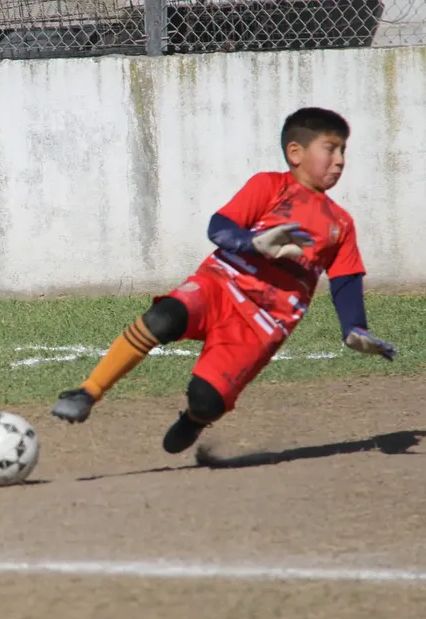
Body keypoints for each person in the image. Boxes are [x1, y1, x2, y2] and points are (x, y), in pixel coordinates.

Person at [51, 107, 396, 453]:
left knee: (207, 400)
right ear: (295, 153)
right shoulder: (269, 186)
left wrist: (355, 329)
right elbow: (219, 227)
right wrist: (253, 243)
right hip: (220, 284)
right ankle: (88, 391)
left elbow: (346, 279)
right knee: (164, 316)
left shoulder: (341, 223)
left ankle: (194, 419)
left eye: (343, 151)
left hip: (263, 324)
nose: (339, 160)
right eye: (331, 148)